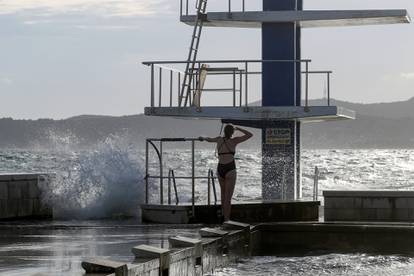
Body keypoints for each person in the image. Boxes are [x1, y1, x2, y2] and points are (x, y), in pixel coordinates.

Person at [199, 125, 253, 222]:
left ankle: (223, 218)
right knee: (228, 198)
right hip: (230, 169)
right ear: (232, 132)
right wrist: (239, 128)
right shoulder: (234, 141)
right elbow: (250, 135)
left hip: (220, 169)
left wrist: (202, 138)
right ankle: (227, 220)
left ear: (224, 131)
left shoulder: (219, 139)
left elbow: (209, 139)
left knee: (223, 196)